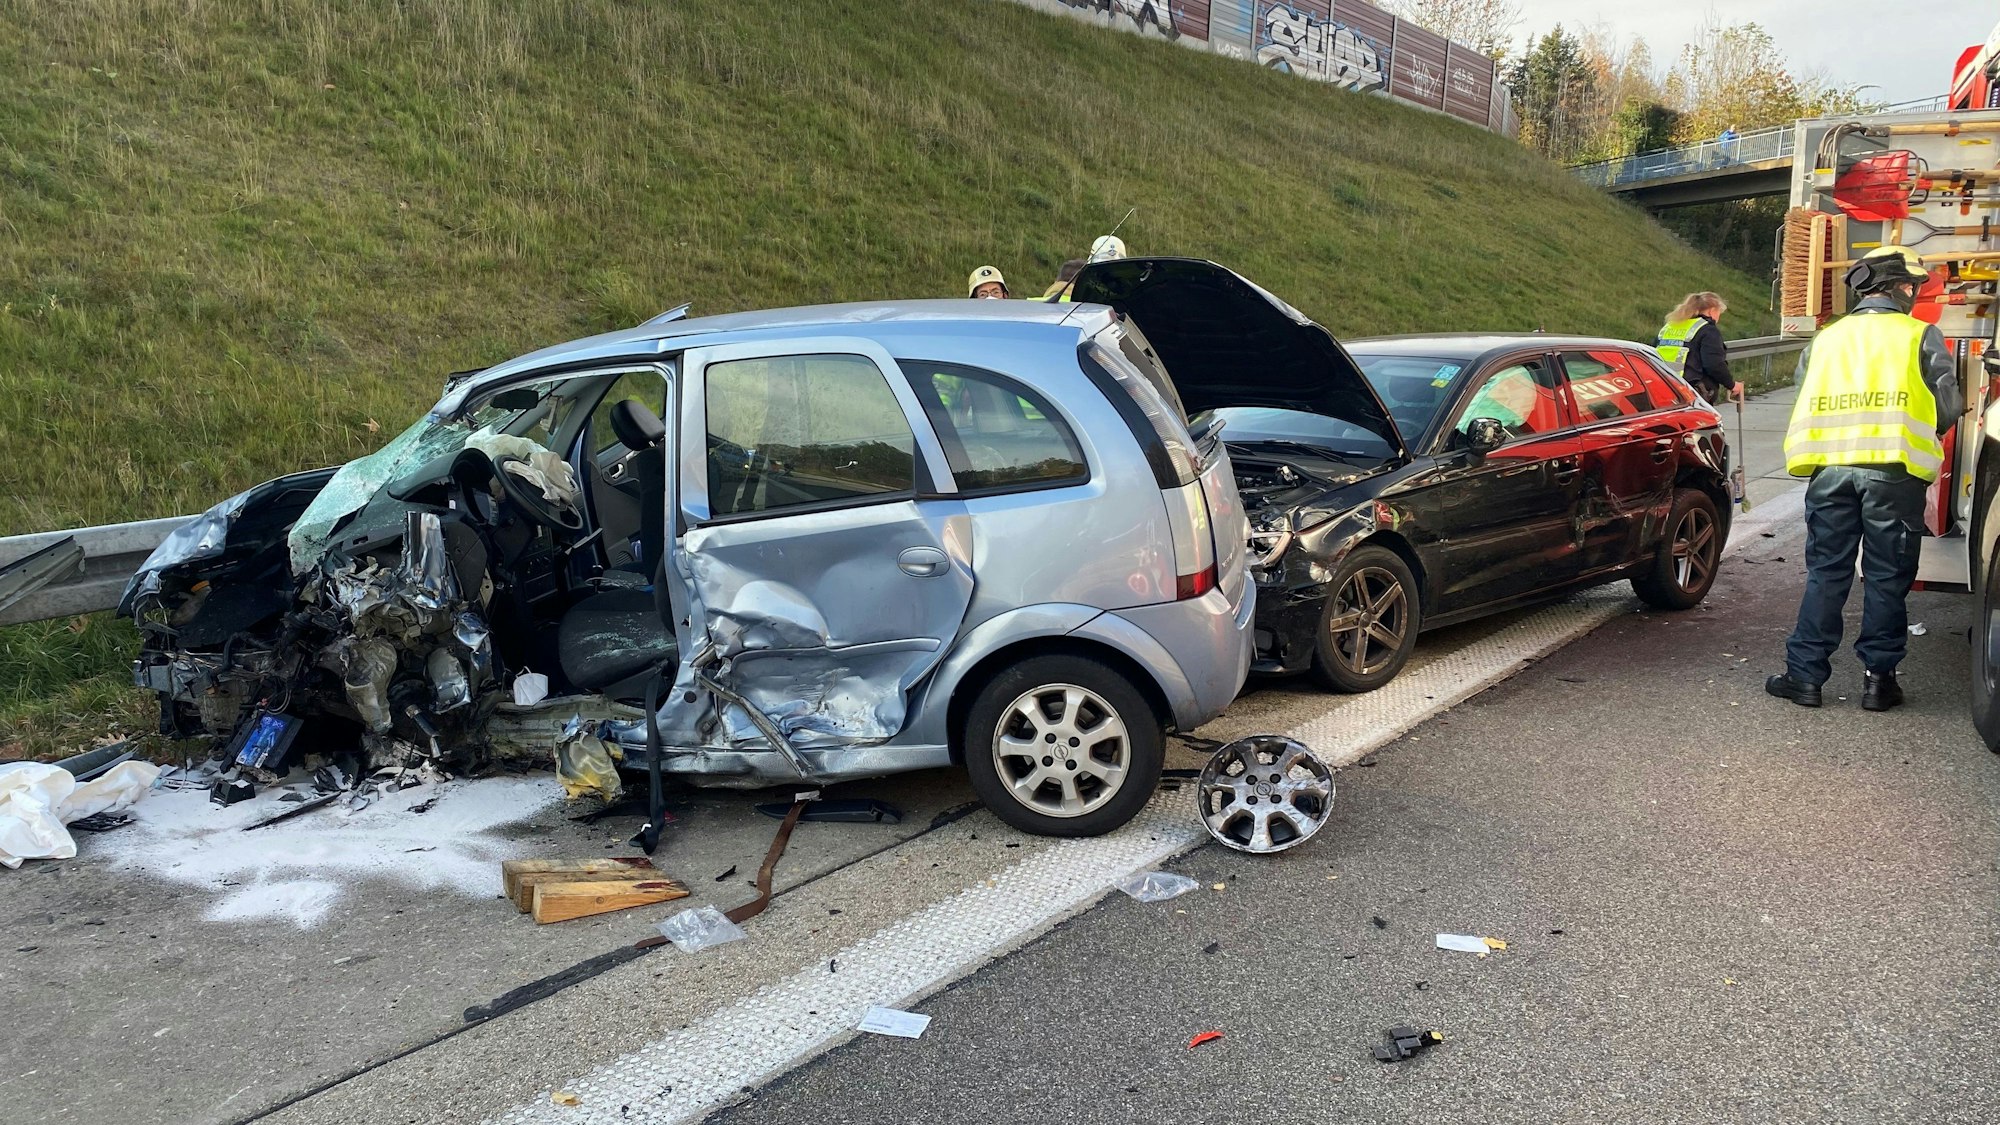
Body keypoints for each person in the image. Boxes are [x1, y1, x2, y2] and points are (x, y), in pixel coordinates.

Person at [1766, 246, 1959, 711]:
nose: (1914, 294)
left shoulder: (1827, 339)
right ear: (1897, 288)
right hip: (1892, 476)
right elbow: (1948, 406)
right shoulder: (1919, 336)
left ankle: (1805, 677)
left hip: (1830, 473)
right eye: (1912, 286)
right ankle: (1879, 681)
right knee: (1887, 577)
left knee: (1826, 573)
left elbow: (1804, 391)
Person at [1656, 292, 1742, 405]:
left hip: (1663, 388)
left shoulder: (1669, 327)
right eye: (1719, 312)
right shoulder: (1707, 330)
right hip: (1693, 393)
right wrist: (1731, 385)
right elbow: (1714, 364)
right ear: (1712, 310)